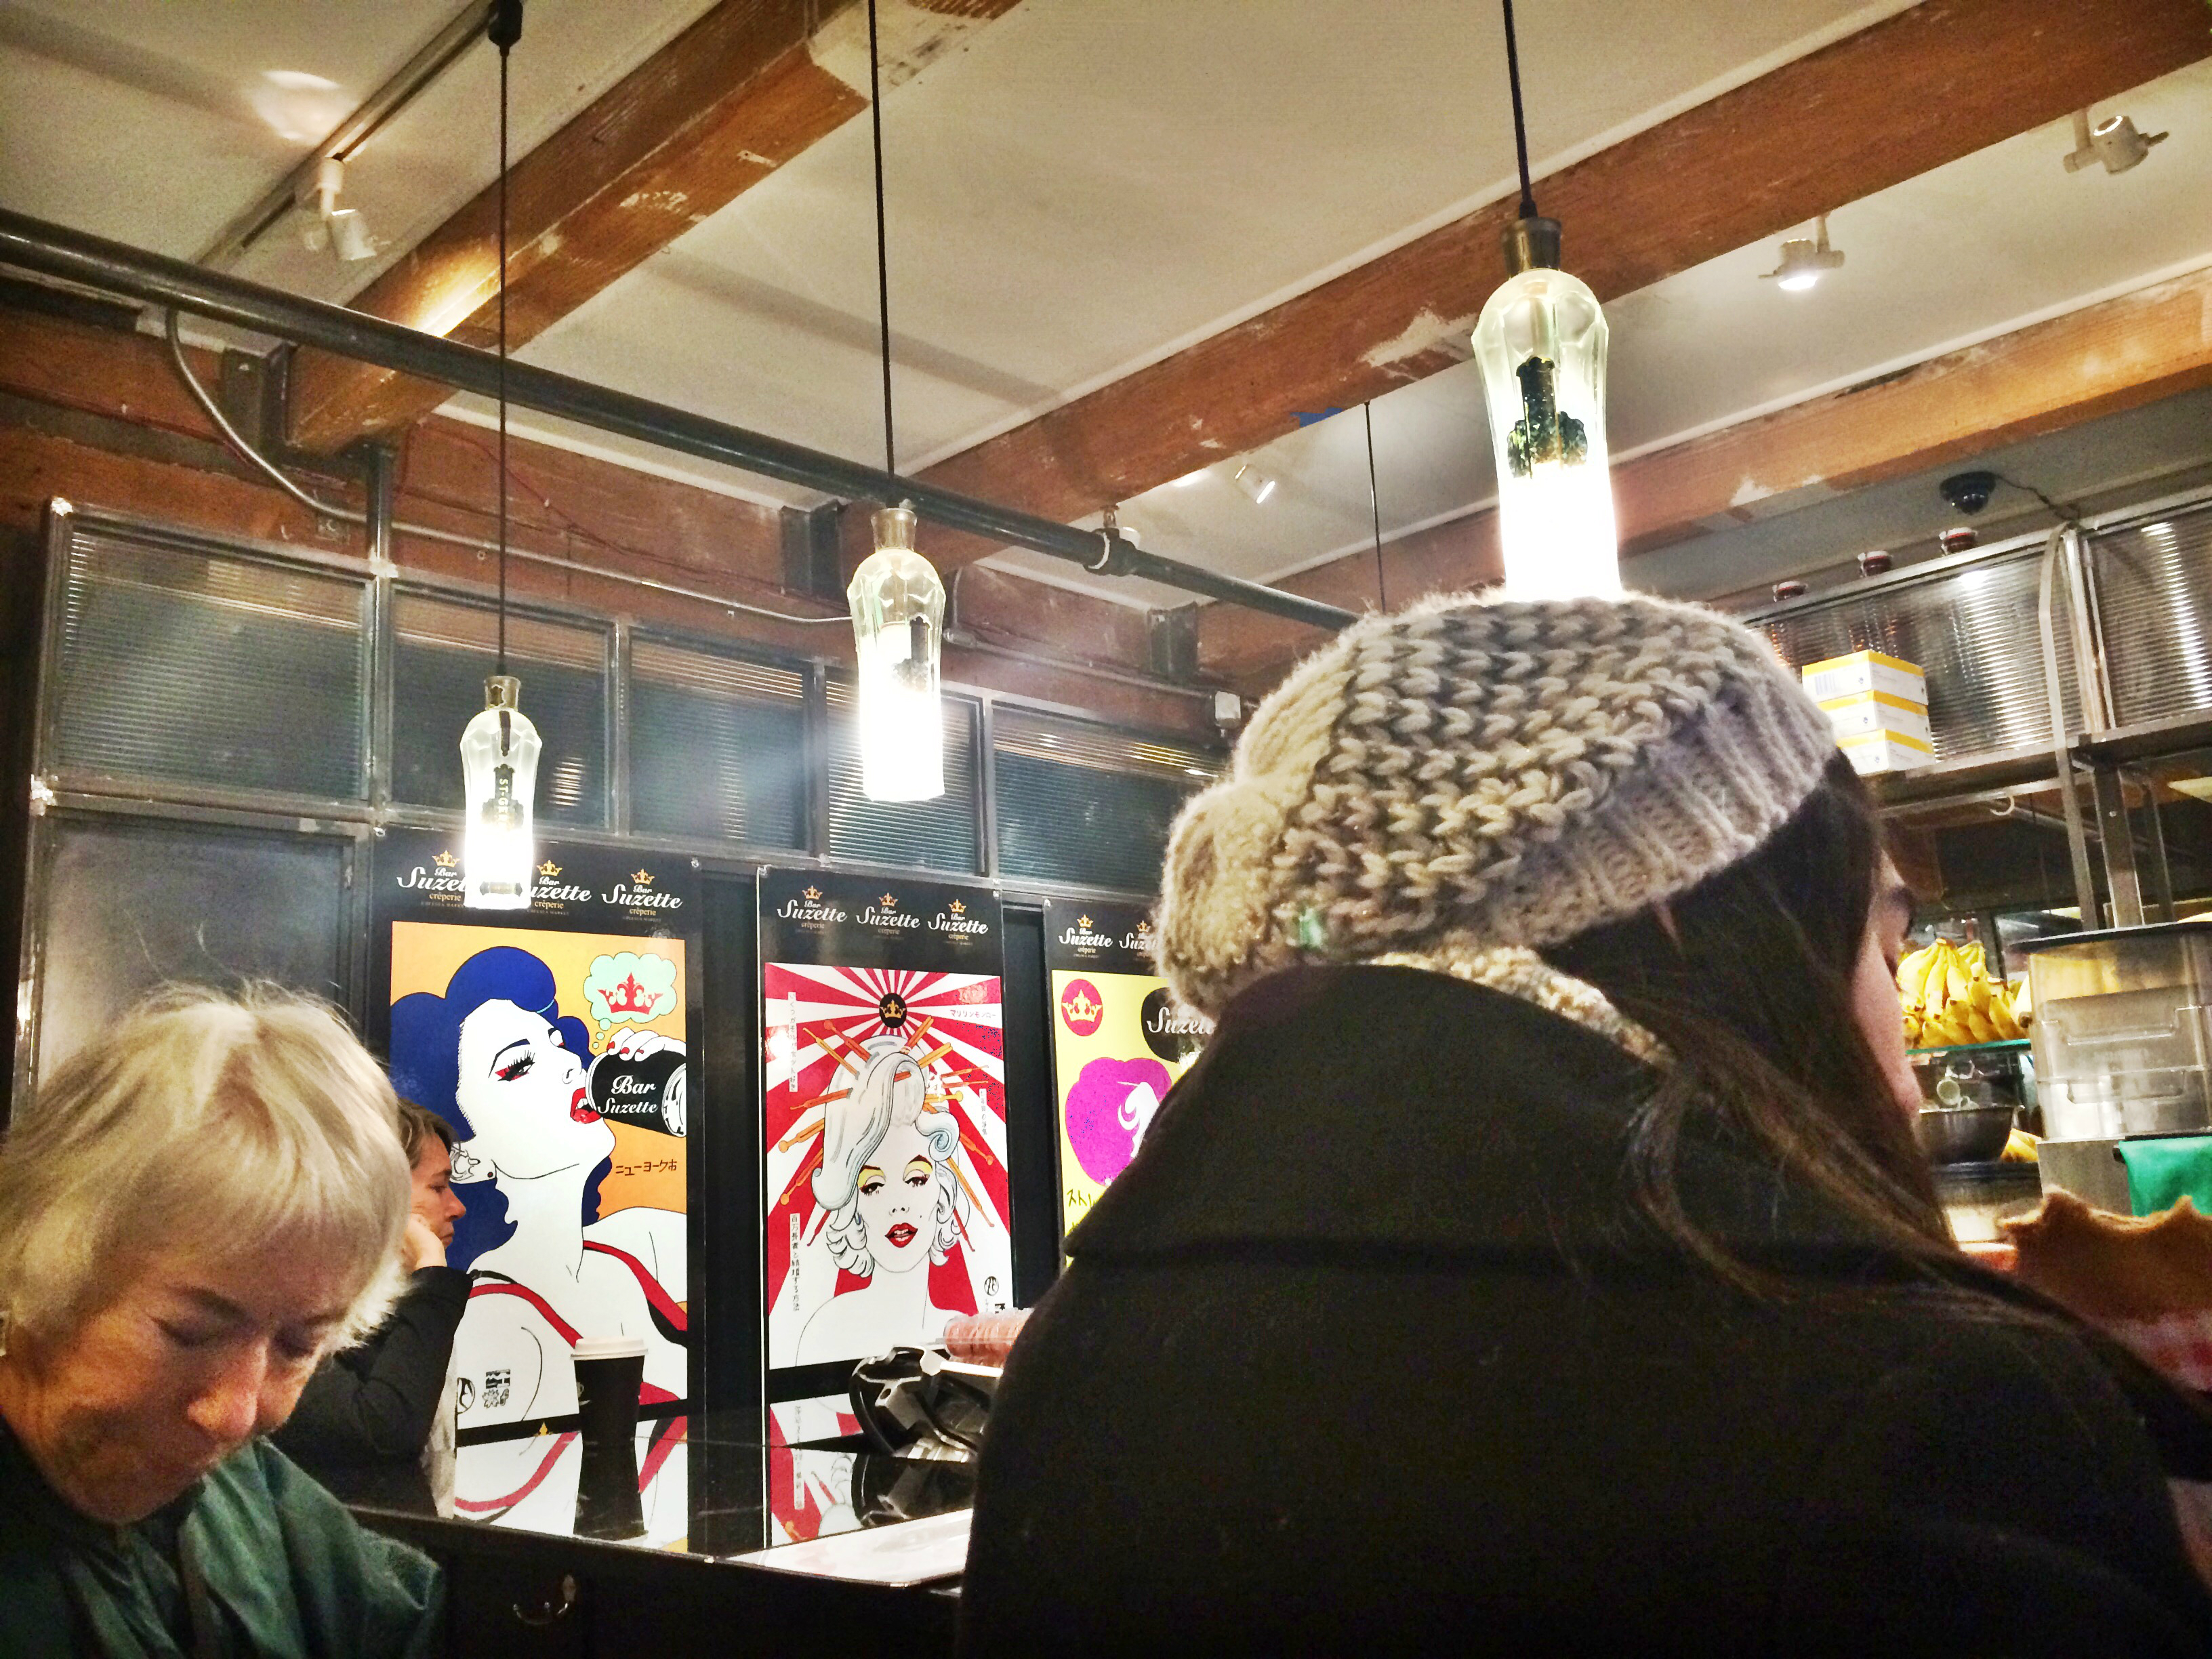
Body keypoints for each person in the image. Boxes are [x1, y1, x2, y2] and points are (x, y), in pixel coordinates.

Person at [961, 592, 2212, 1657]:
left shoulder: (1077, 1357)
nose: (1903, 1078)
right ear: (1673, 916)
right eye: (1879, 946)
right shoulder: (1922, 1417)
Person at [0, 987, 442, 1657]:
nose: (236, 1417)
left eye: (298, 1344)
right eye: (190, 1333)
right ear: (38, 1265)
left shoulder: (247, 1494)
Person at [388, 946, 685, 1430]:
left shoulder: (634, 1242)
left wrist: (688, 1074)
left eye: (556, 1042)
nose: (569, 1064)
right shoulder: (496, 1317)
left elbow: (770, 1245)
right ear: (469, 1157)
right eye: (519, 1064)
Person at [273, 1100, 469, 1513]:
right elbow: (385, 1429)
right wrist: (430, 1265)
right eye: (438, 1188)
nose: (457, 1207)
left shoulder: (404, 1303)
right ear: (376, 1192)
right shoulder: (294, 1307)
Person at [795, 1036, 971, 1365]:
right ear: (852, 1203)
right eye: (873, 1185)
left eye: (916, 1178)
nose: (898, 1205)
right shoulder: (826, 1336)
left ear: (942, 1188)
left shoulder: (963, 1337)